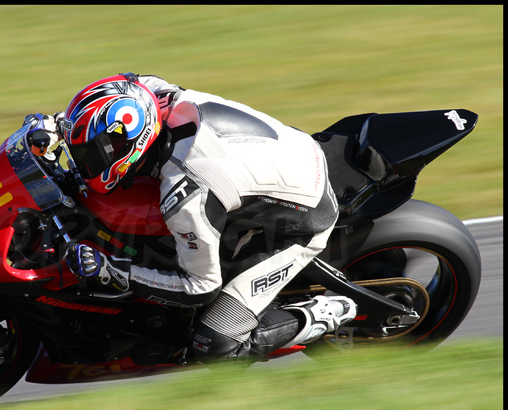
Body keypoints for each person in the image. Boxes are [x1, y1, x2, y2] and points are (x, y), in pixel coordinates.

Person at [50, 73, 357, 362]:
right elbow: (120, 87)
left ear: (131, 144)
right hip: (285, 153)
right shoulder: (147, 95)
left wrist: (115, 272)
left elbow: (199, 287)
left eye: (92, 153)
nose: (83, 163)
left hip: (301, 221)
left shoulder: (186, 194)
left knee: (215, 345)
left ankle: (328, 311)